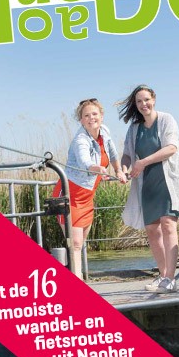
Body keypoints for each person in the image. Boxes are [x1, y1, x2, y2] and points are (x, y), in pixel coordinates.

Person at [118, 85, 179, 293]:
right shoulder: (134, 128)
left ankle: (171, 278)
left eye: (147, 100)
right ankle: (163, 275)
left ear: (154, 99)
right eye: (139, 101)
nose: (143, 104)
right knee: (152, 229)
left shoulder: (167, 119)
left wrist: (142, 163)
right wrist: (124, 169)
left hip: (168, 179)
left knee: (168, 224)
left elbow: (171, 148)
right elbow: (127, 155)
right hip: (147, 182)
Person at [54, 98, 125, 280]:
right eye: (86, 115)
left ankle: (73, 279)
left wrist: (118, 171)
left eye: (94, 114)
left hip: (87, 195)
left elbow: (114, 153)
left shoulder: (105, 132)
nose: (91, 118)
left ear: (101, 116)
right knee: (75, 243)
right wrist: (98, 169)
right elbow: (85, 162)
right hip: (71, 193)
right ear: (81, 120)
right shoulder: (81, 140)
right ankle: (77, 284)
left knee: (81, 242)